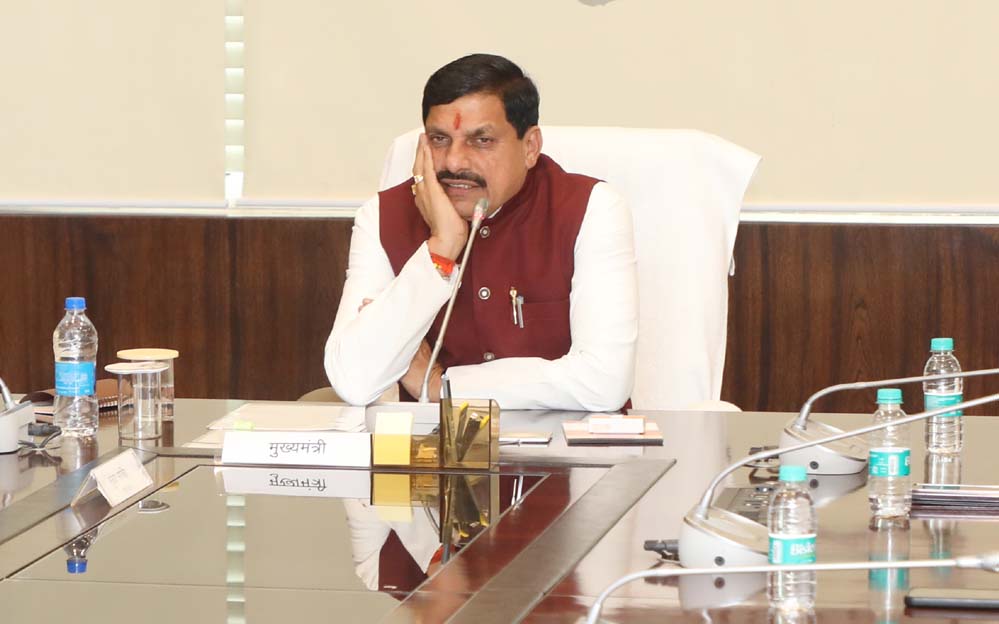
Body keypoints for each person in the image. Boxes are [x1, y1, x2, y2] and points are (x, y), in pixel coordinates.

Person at [325, 53, 637, 411]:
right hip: (432, 446)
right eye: (439, 139)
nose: (454, 162)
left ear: (530, 147)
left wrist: (441, 385)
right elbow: (354, 380)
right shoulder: (383, 216)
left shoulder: (591, 209)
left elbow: (605, 382)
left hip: (569, 444)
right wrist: (441, 248)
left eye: (482, 140)